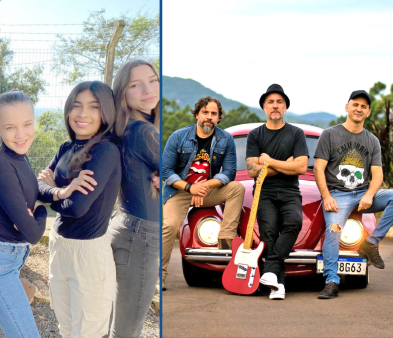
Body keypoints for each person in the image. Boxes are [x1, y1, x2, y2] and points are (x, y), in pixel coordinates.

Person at [38, 81, 121, 338]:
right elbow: (36, 187)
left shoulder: (105, 151)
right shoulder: (66, 148)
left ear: (106, 113)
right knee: (66, 326)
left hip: (88, 255)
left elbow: (77, 209)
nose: (83, 114)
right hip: (59, 246)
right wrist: (62, 192)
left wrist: (52, 193)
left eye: (93, 107)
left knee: (87, 332)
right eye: (77, 106)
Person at [0, 91, 47, 338]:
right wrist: (42, 210)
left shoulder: (18, 157)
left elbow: (30, 194)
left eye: (27, 124)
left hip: (1, 258)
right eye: (11, 127)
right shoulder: (2, 164)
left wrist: (48, 196)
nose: (21, 134)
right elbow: (33, 233)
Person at [315, 90, 393, 299]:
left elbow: (377, 175)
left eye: (363, 106)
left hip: (362, 193)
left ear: (367, 112)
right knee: (333, 229)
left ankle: (371, 243)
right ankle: (332, 281)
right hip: (337, 194)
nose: (359, 109)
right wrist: (327, 196)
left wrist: (369, 195)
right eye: (355, 104)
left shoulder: (372, 141)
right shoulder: (329, 135)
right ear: (347, 107)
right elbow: (318, 169)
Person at [162, 96, 244, 290]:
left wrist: (205, 186)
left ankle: (225, 239)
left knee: (237, 189)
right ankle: (160, 276)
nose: (209, 117)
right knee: (168, 226)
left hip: (208, 190)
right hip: (180, 191)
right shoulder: (179, 137)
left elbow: (229, 172)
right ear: (197, 114)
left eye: (213, 114)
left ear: (218, 118)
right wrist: (191, 187)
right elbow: (166, 171)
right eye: (205, 112)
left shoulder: (226, 139)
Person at [107, 59, 160, 338]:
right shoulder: (144, 131)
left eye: (153, 80)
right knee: (127, 331)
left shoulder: (126, 128)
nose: (148, 90)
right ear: (123, 93)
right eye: (135, 85)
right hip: (142, 236)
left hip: (126, 226)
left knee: (115, 324)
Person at [246, 84, 309, 300]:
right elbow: (253, 171)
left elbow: (301, 167)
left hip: (290, 191)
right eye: (271, 102)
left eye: (279, 102)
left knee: (294, 222)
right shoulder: (255, 135)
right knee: (269, 233)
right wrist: (285, 164)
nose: (275, 105)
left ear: (285, 107)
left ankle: (270, 270)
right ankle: (278, 286)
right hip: (263, 192)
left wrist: (269, 162)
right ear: (264, 106)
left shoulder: (296, 133)